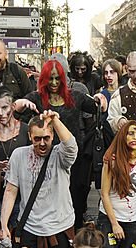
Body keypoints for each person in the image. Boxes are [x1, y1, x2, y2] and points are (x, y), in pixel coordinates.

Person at [0, 109, 78, 248]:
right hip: (30, 230)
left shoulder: (60, 154)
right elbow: (10, 190)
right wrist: (4, 224)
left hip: (59, 228)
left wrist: (55, 121)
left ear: (52, 136)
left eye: (46, 138)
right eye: (37, 139)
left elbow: (71, 145)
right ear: (30, 137)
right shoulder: (19, 155)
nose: (42, 143)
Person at [20, 59, 99, 229]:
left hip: (73, 159)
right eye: (50, 78)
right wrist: (18, 105)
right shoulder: (36, 98)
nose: (54, 83)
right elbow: (18, 112)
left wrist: (101, 97)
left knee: (75, 197)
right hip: (45, 158)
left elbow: (96, 107)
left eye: (57, 79)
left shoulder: (75, 96)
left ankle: (74, 234)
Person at [99, 119, 136, 248]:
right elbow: (104, 193)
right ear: (122, 136)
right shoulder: (111, 160)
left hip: (133, 220)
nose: (135, 137)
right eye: (130, 133)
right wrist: (114, 224)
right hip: (110, 219)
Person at [0, 87, 30, 218]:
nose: (1, 113)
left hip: (22, 195)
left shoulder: (25, 130)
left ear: (13, 106)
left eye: (4, 108)